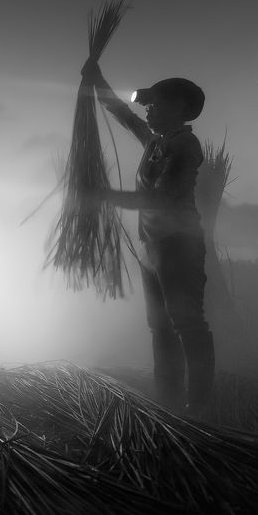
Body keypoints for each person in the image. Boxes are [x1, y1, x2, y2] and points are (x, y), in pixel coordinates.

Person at [82, 59, 215, 413]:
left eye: (158, 104)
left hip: (179, 246)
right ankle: (168, 401)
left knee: (186, 322)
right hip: (152, 247)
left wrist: (104, 195)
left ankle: (198, 406)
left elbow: (158, 198)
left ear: (181, 109)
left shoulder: (185, 147)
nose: (150, 110)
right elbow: (125, 115)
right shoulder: (155, 142)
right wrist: (98, 81)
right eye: (150, 105)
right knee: (160, 327)